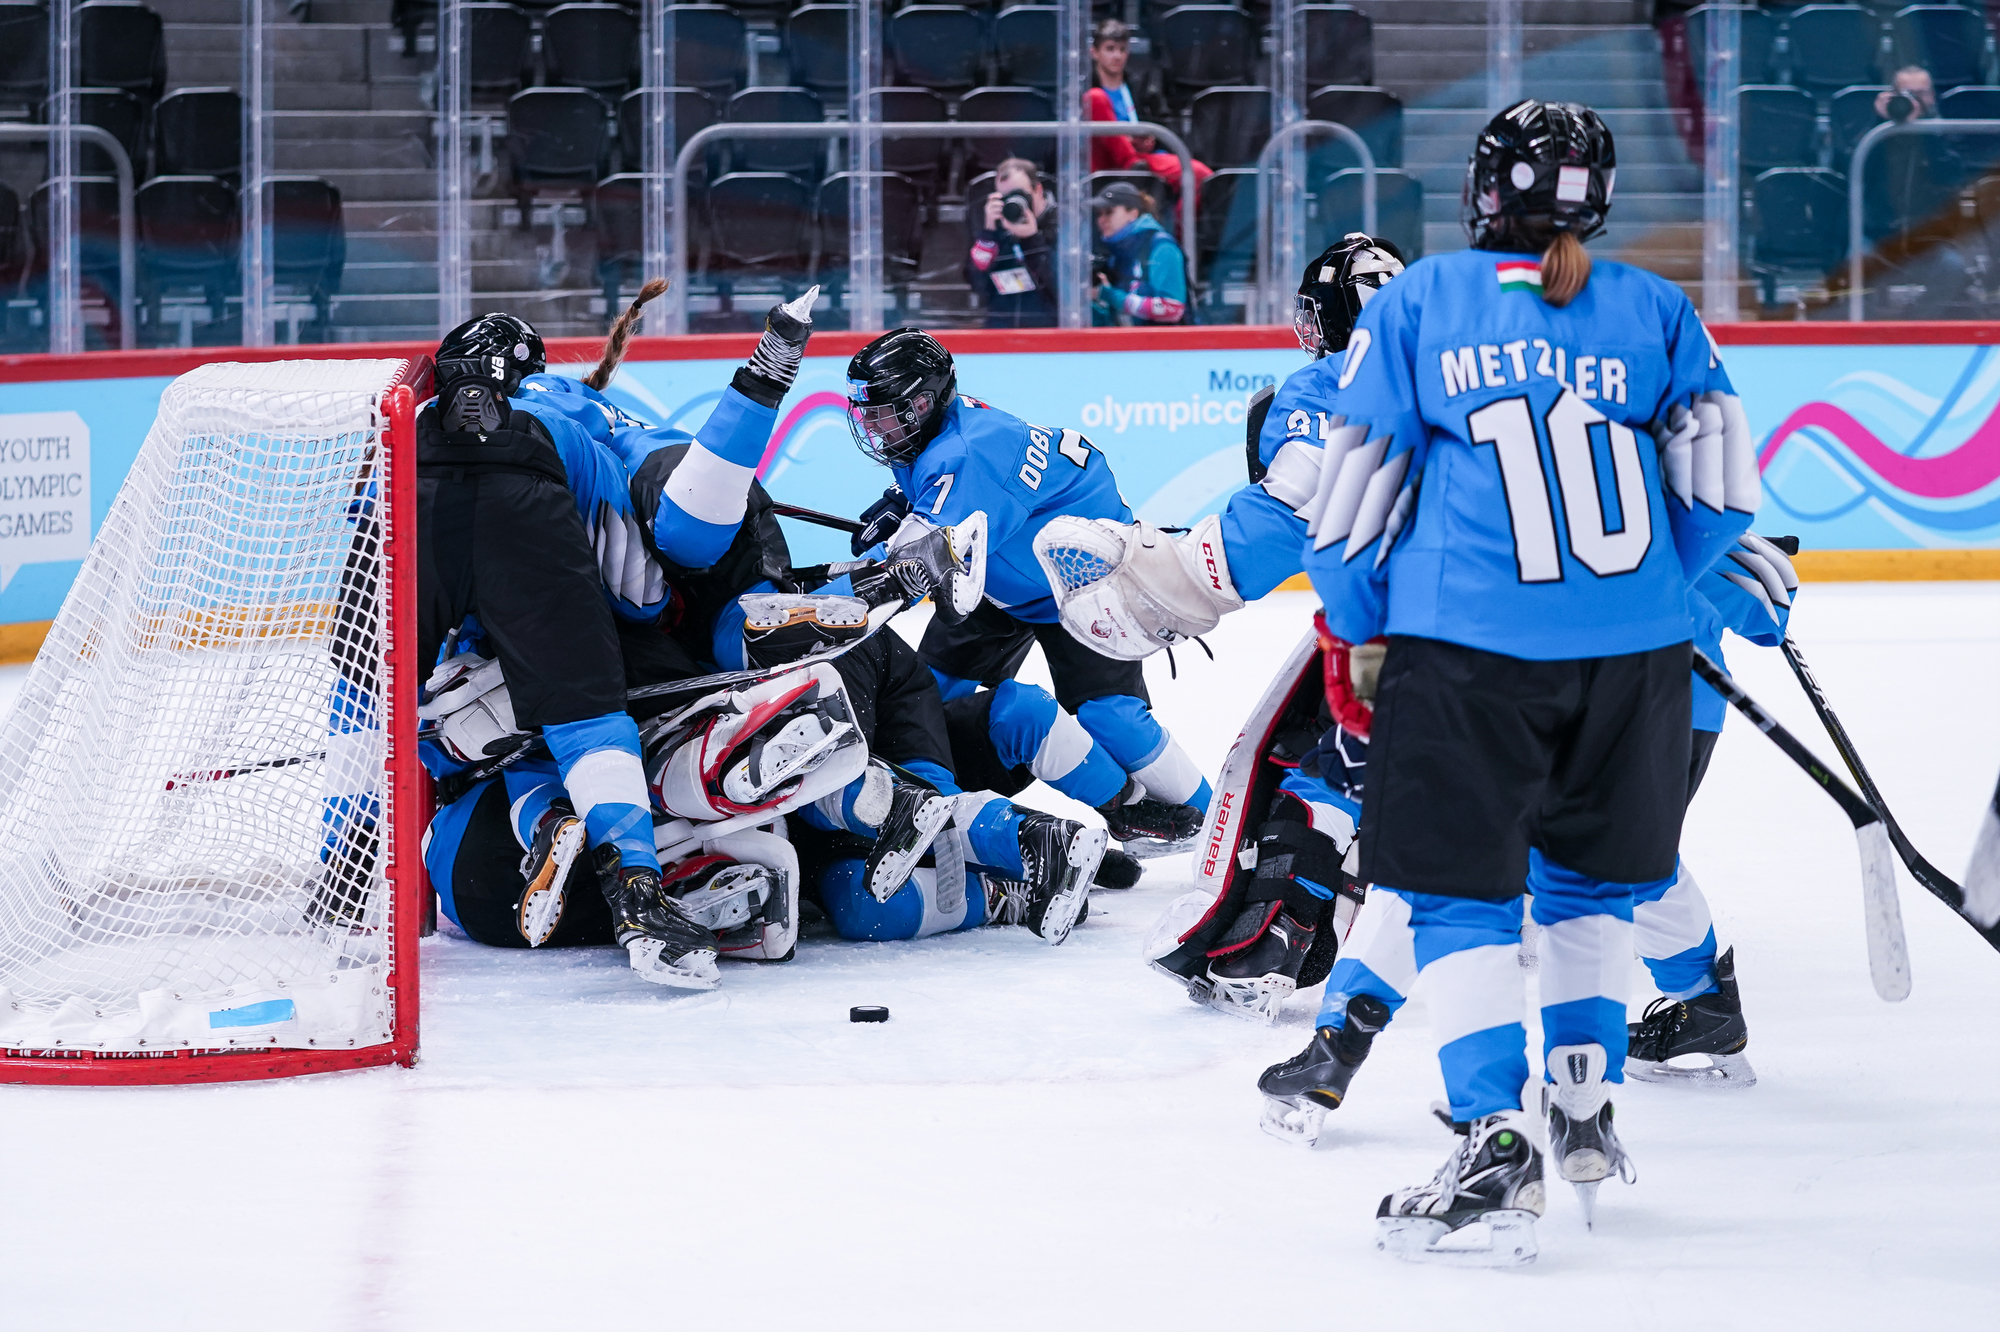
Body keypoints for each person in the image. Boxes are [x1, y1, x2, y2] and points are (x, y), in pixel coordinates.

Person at [1269, 99, 1754, 1263]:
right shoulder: (1654, 308)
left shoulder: (1421, 302)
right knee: (1586, 891)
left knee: (1458, 899)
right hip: (1634, 659)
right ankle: (1581, 1102)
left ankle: (1491, 1133)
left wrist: (1363, 632)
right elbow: (1723, 494)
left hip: (1469, 655)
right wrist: (1630, 594)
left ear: (1480, 191)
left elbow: (1345, 518)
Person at [411, 311, 719, 990]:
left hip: (418, 500)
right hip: (531, 527)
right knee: (583, 716)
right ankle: (638, 898)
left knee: (367, 696)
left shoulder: (399, 432)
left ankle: (342, 875)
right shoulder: (566, 427)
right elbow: (632, 587)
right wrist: (663, 614)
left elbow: (373, 548)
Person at [845, 326, 1216, 853]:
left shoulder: (966, 451)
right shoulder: (939, 427)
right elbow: (956, 502)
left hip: (1086, 581)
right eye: (868, 412)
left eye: (883, 411)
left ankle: (1222, 818)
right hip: (1000, 573)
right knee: (922, 696)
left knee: (1108, 715)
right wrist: (904, 502)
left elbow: (915, 566)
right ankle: (934, 813)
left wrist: (839, 591)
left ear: (923, 401)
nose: (873, 424)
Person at [1086, 19, 1211, 198]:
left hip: (1142, 159)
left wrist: (1149, 141)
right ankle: (1131, 161)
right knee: (1095, 98)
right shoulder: (1085, 92)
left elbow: (1160, 125)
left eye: (1122, 49)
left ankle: (1184, 227)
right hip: (1106, 163)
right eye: (1110, 49)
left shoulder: (1140, 88)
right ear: (1094, 52)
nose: (1117, 56)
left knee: (1200, 175)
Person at [968, 157, 1058, 329]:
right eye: (1005, 197)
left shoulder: (1061, 222)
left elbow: (1061, 288)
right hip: (1001, 331)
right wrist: (988, 236)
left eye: (1019, 195)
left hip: (1049, 333)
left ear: (1038, 190)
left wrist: (1032, 239)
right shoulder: (995, 229)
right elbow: (977, 285)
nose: (1012, 203)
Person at [1091, 182, 1189, 326]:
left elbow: (1172, 308)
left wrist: (1110, 295)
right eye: (1099, 214)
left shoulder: (1162, 247)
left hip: (1168, 345)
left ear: (1133, 213)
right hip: (1131, 344)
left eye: (1109, 212)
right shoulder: (1116, 254)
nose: (1101, 220)